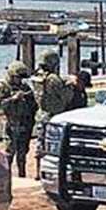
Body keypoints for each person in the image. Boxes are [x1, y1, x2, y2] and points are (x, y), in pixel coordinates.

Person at [31, 49, 76, 179]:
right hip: (54, 115)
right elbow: (66, 96)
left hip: (41, 113)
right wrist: (70, 85)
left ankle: (37, 171)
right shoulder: (53, 79)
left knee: (40, 143)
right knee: (57, 144)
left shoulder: (37, 77)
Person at [0, 61, 38, 178]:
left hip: (24, 124)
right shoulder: (3, 87)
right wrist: (13, 99)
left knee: (22, 153)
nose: (20, 80)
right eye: (18, 77)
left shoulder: (25, 87)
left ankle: (22, 175)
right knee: (9, 152)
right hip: (10, 124)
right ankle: (6, 176)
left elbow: (34, 106)